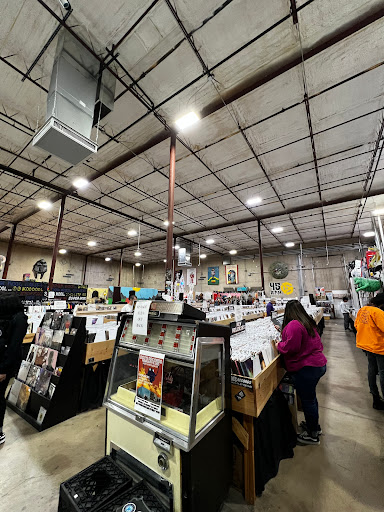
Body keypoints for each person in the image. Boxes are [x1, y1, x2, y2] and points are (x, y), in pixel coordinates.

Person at [276, 300, 327, 446]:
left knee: (308, 400)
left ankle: (313, 435)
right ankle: (314, 426)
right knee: (311, 398)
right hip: (317, 364)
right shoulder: (306, 322)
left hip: (307, 368)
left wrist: (278, 344)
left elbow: (291, 347)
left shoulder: (293, 325)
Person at [0, 293, 28, 445]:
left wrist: (3, 370)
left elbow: (13, 347)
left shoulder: (18, 319)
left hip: (5, 366)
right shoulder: (8, 318)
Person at [355, 293, 384, 410]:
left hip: (366, 345)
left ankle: (376, 398)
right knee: (383, 373)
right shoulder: (378, 313)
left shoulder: (363, 309)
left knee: (371, 371)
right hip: (379, 347)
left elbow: (356, 325)